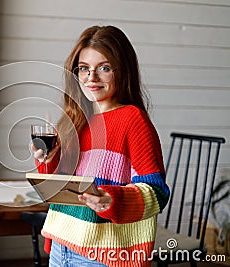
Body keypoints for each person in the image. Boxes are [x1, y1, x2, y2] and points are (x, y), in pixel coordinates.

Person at [32, 25, 170, 266]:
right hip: (61, 245)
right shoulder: (74, 119)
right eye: (84, 69)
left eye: (103, 68)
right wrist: (47, 162)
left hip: (103, 255)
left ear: (122, 72)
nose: (91, 78)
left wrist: (111, 199)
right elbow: (59, 189)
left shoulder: (132, 120)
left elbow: (157, 193)